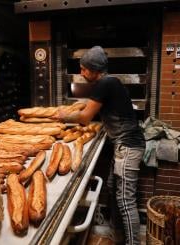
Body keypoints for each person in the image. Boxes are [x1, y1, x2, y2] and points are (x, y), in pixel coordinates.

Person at [53, 46, 145, 245]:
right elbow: (94, 110)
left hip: (128, 147)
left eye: (84, 69)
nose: (81, 73)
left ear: (95, 70)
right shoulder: (110, 83)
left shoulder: (105, 83)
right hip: (123, 146)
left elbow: (85, 117)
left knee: (125, 201)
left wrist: (63, 115)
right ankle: (118, 235)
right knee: (113, 188)